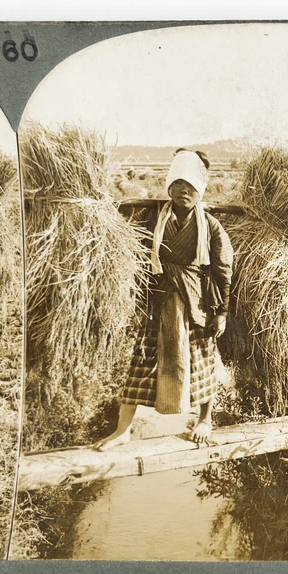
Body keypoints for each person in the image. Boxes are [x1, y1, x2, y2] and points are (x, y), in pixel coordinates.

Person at [95, 149, 233, 450]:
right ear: (169, 188)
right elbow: (123, 235)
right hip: (158, 299)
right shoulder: (152, 217)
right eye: (179, 185)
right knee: (141, 363)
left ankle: (205, 419)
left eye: (192, 187)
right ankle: (123, 429)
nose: (185, 191)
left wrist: (221, 311)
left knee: (203, 361)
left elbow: (224, 271)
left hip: (196, 302)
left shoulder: (210, 226)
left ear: (200, 192)